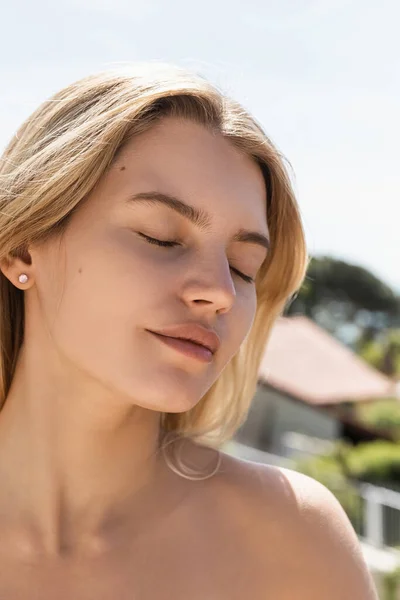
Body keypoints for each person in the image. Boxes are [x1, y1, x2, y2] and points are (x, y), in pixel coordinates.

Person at [0, 62, 378, 599]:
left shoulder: (290, 540)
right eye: (161, 237)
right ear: (21, 245)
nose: (220, 291)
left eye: (244, 267)